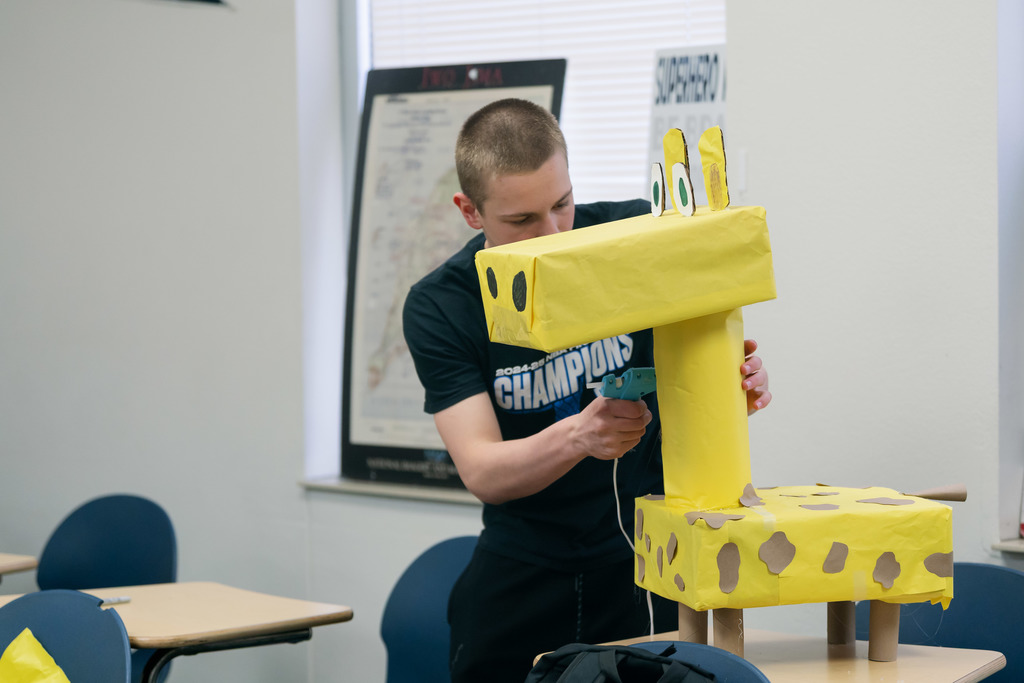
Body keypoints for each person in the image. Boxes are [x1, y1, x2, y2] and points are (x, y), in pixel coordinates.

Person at [402, 98, 771, 683]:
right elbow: (484, 471)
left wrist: (733, 385)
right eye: (521, 222)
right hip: (522, 569)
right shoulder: (442, 304)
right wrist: (580, 434)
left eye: (561, 204)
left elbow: (693, 383)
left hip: (642, 562)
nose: (551, 234)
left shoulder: (633, 236)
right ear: (469, 211)